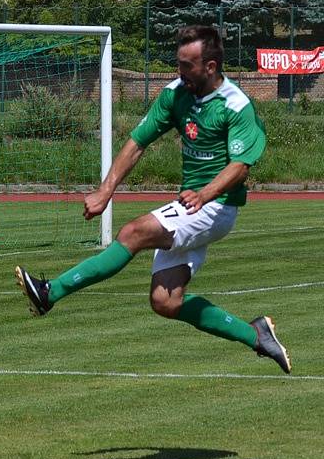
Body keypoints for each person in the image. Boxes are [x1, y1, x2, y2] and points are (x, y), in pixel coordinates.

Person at [15, 25, 291, 374]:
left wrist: (205, 194)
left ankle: (50, 292)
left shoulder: (235, 105)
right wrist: (105, 190)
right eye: (178, 63)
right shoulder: (175, 94)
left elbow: (240, 168)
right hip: (192, 205)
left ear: (210, 66)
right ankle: (254, 334)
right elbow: (137, 142)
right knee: (165, 301)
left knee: (132, 233)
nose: (180, 71)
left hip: (217, 206)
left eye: (187, 65)